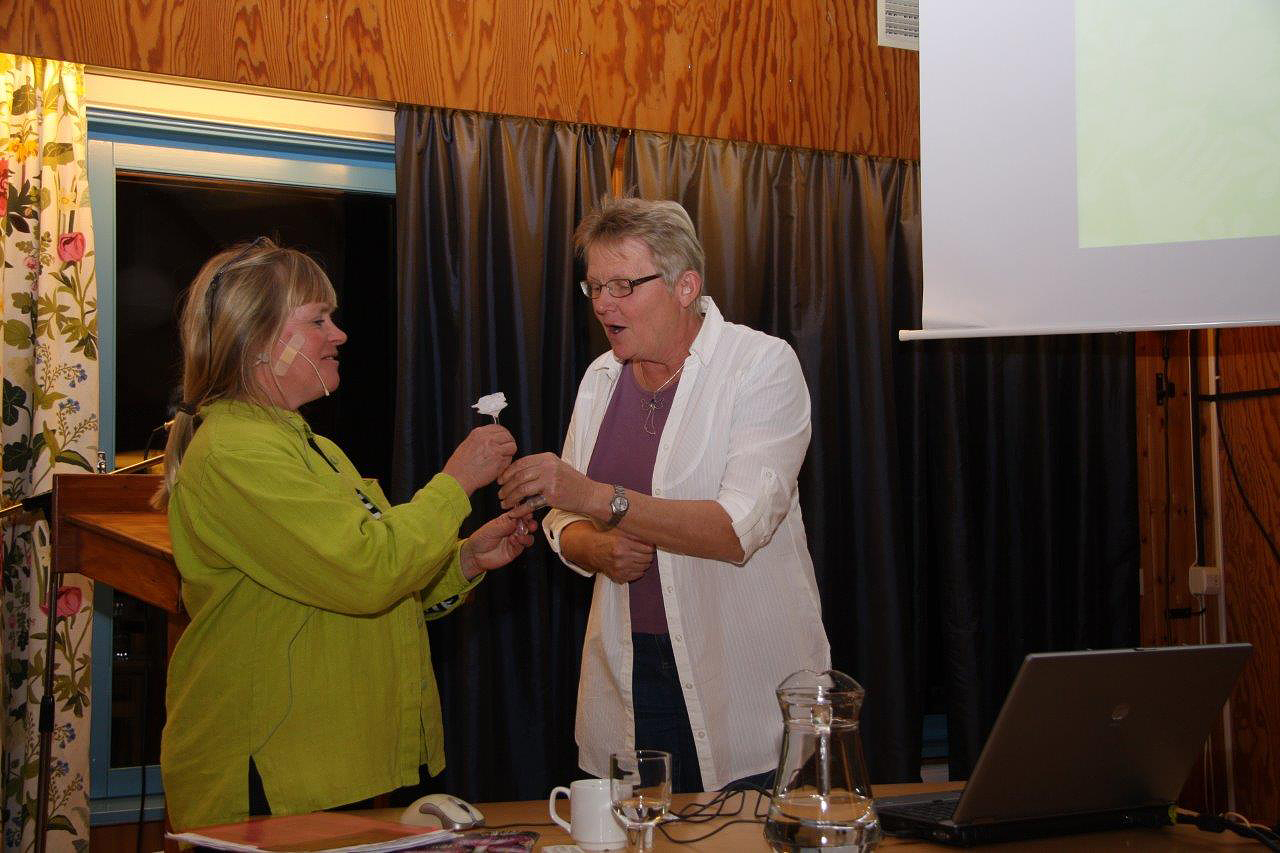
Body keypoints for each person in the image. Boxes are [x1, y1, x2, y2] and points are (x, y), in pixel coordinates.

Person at [155, 238, 533, 830]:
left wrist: (465, 561)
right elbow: (366, 571)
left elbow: (353, 587)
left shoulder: (311, 447)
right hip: (269, 769)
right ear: (259, 341)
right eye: (318, 320)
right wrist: (456, 482)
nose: (339, 334)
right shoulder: (237, 453)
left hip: (322, 764)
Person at [499, 198, 830, 793]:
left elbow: (737, 530)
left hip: (741, 673)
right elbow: (561, 518)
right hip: (631, 669)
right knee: (641, 827)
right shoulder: (600, 378)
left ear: (685, 286)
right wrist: (592, 547)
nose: (603, 304)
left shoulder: (760, 366)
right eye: (595, 286)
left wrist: (601, 500)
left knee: (746, 827)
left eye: (623, 285)